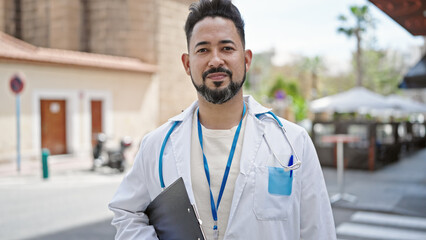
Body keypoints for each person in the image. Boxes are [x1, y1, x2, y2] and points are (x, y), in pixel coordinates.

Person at [108, 0, 336, 239]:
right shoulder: (156, 145)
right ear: (187, 64)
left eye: (227, 48)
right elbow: (126, 212)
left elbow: (318, 229)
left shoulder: (293, 142)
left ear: (246, 59)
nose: (215, 60)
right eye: (203, 50)